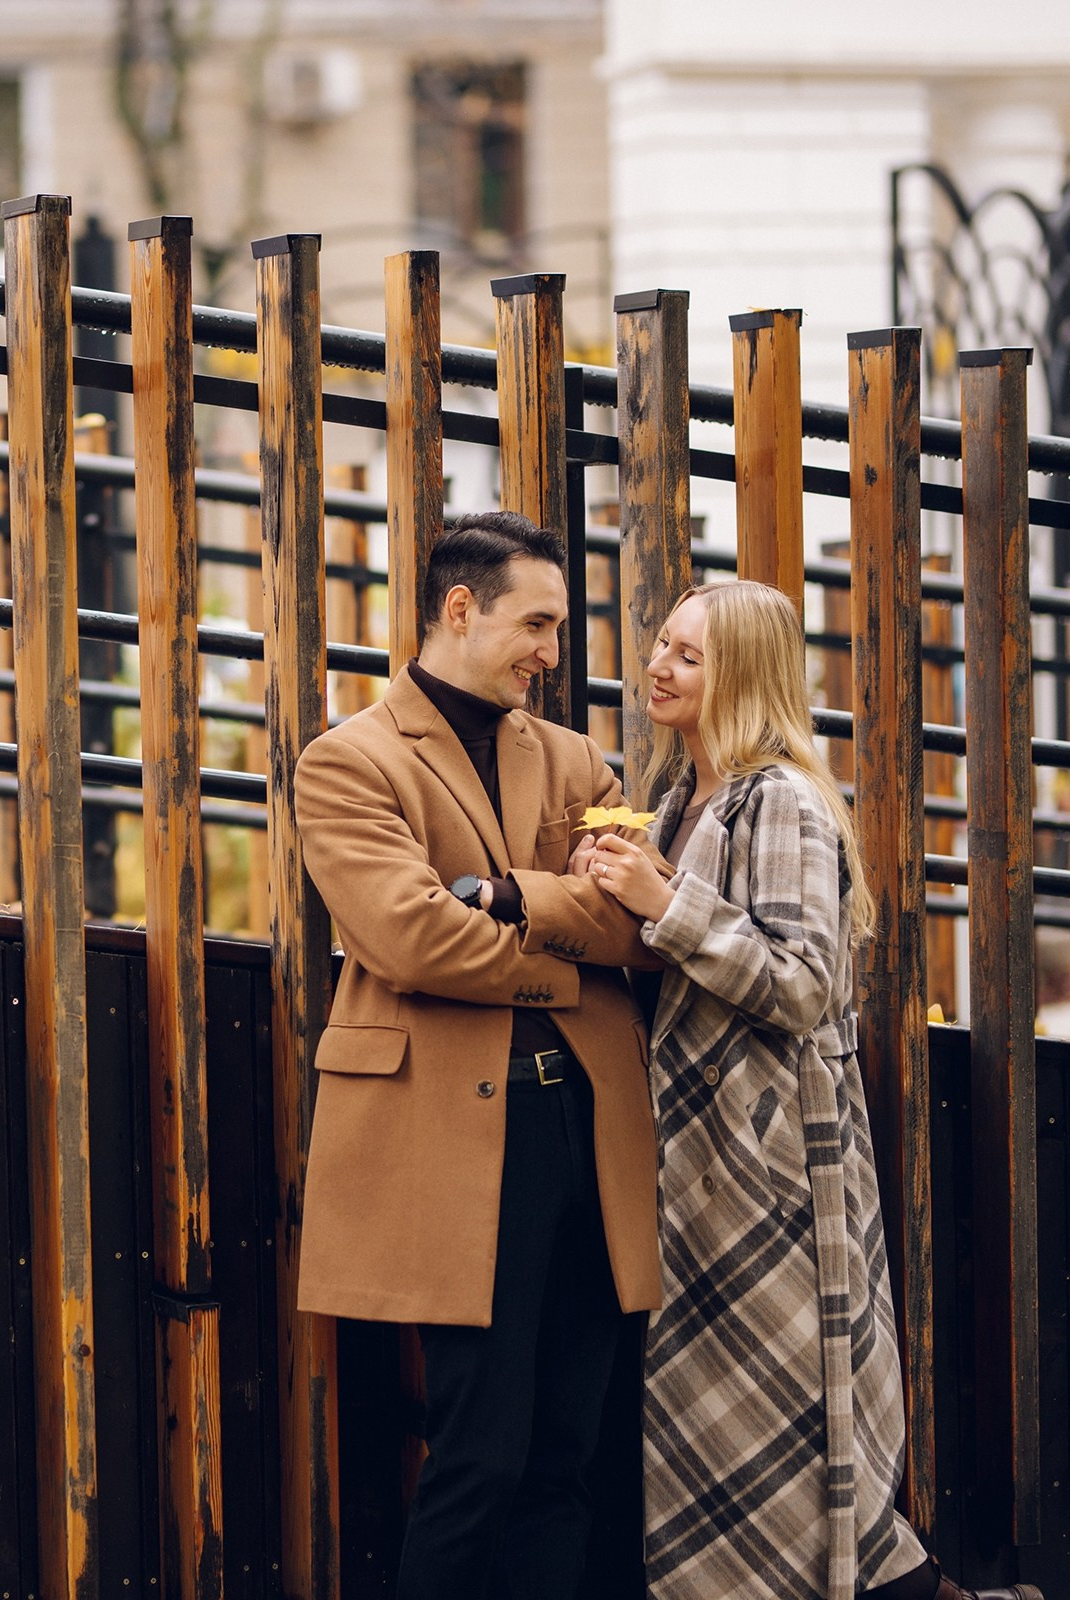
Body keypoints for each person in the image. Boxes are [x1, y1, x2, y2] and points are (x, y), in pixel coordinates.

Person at [581, 581, 1041, 1600]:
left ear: (742, 674)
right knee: (710, 1423)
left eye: (690, 656)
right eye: (662, 642)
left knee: (794, 1416)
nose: (659, 665)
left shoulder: (778, 797)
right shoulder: (677, 796)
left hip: (771, 1173)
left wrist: (663, 900)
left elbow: (802, 982)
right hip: (690, 1168)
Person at [295, 511, 662, 1598]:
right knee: (481, 1454)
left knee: (569, 1456)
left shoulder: (580, 757)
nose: (553, 650)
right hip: (453, 1146)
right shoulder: (346, 761)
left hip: (590, 1135)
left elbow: (639, 926)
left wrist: (508, 899)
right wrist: (561, 944)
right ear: (463, 608)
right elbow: (407, 936)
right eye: (537, 622)